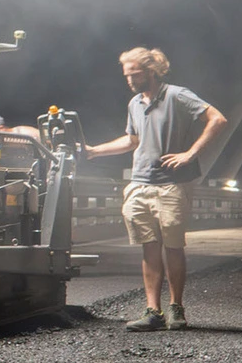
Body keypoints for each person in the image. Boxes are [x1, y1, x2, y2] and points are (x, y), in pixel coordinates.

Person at [82, 47, 227, 333]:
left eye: (133, 73)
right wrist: (94, 152)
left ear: (150, 70)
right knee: (149, 248)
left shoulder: (177, 95)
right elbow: (132, 140)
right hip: (140, 183)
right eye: (126, 74)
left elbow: (218, 119)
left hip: (171, 184)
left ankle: (176, 308)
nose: (129, 79)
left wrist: (190, 153)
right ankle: (153, 311)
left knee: (173, 247)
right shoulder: (134, 103)